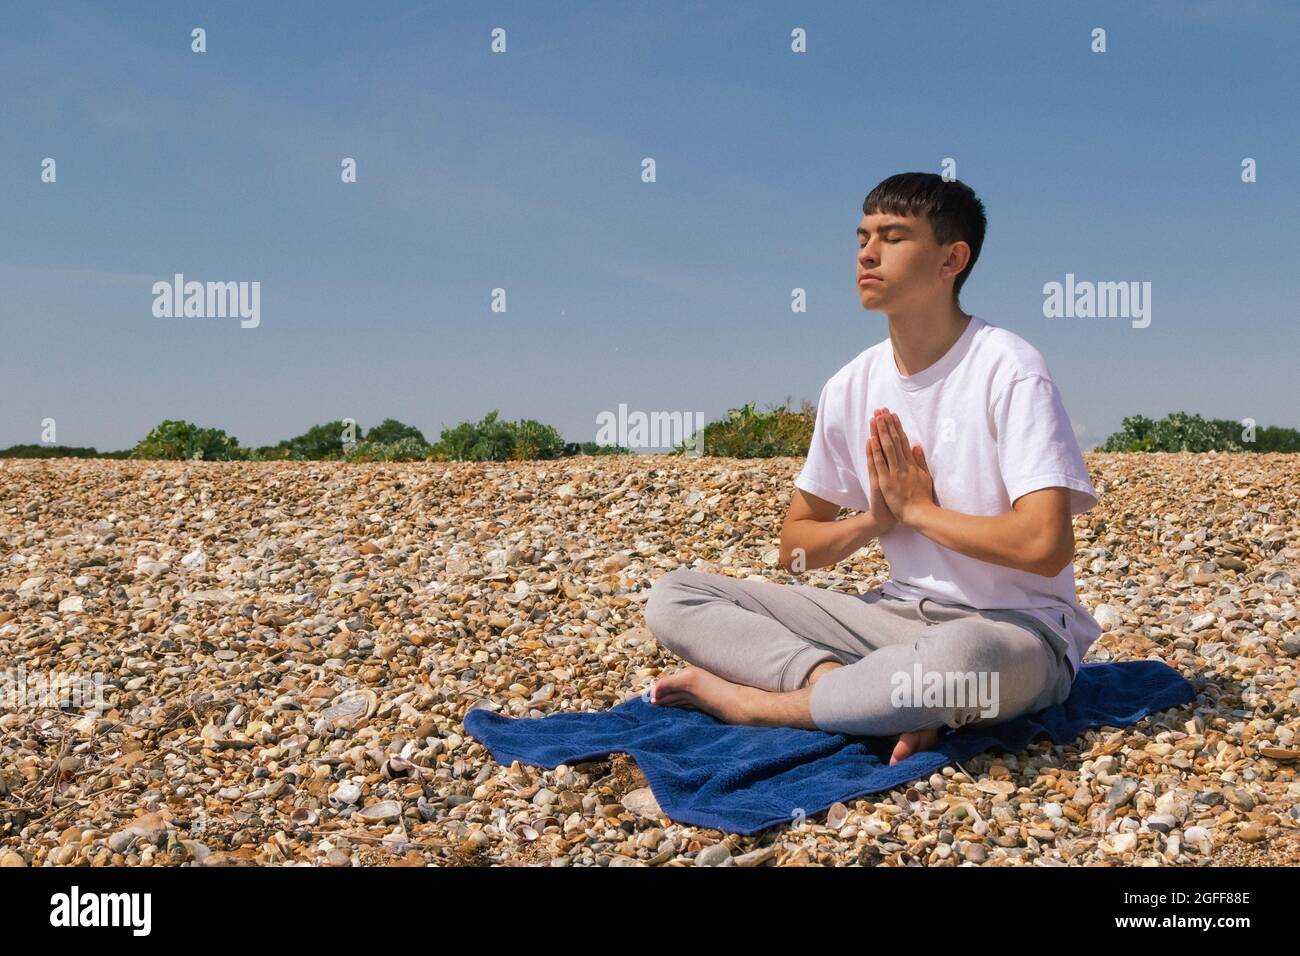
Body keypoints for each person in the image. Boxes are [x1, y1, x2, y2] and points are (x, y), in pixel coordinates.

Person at [645, 172, 1101, 766]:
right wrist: (875, 520)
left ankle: (758, 705)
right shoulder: (850, 385)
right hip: (887, 616)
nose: (867, 252)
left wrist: (922, 513)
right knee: (674, 596)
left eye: (893, 236)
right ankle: (843, 688)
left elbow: (1045, 544)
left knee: (958, 667)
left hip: (1015, 632)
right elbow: (795, 549)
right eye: (863, 236)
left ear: (951, 259)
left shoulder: (1009, 369)